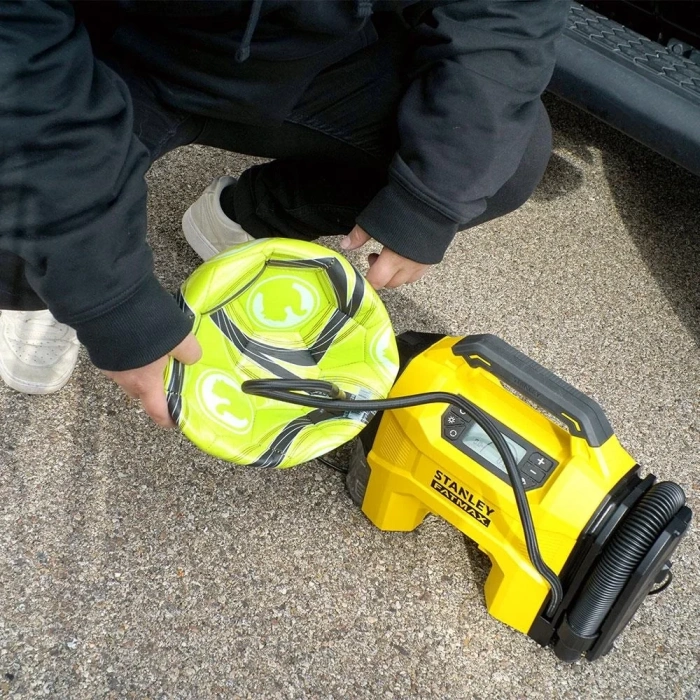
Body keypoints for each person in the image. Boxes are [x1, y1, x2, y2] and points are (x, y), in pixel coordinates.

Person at [0, 0, 568, 426]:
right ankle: (38, 286)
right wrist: (103, 292)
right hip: (98, 46)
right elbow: (18, 66)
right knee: (26, 180)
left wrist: (430, 199)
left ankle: (246, 216)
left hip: (307, 55)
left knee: (497, 161)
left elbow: (511, 14)